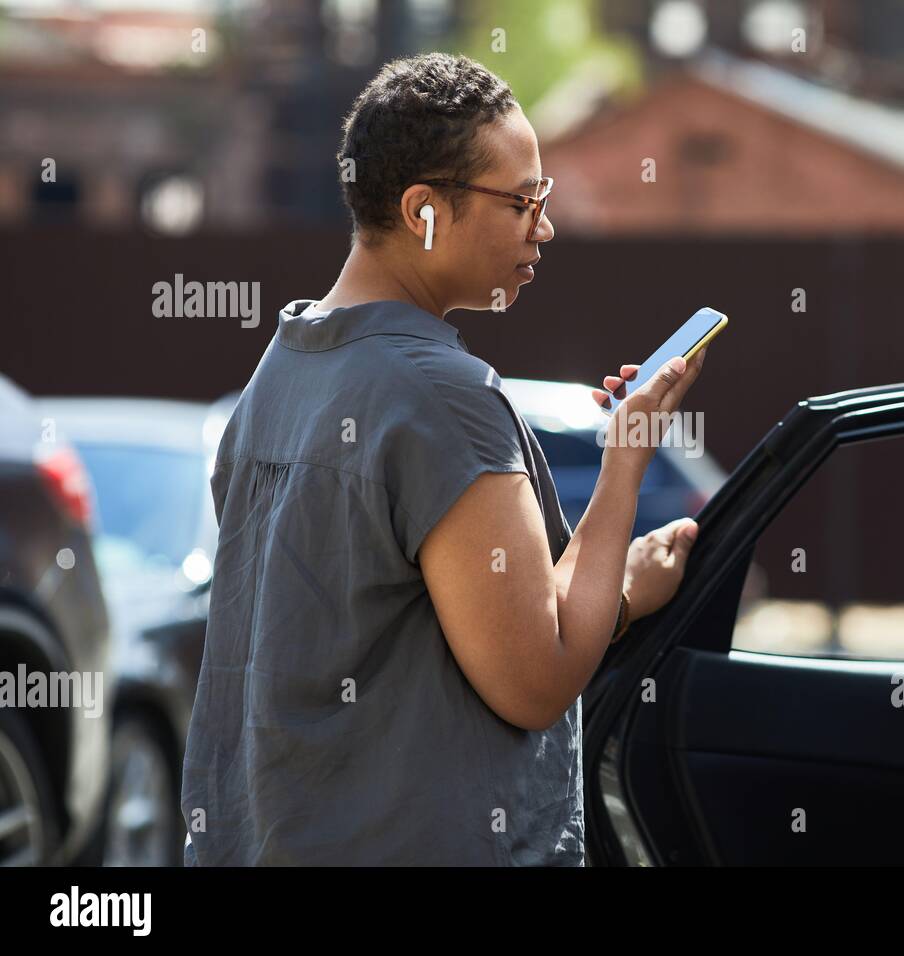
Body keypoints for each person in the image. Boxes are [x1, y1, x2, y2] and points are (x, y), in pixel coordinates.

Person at [180, 52, 706, 865]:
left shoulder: (282, 368)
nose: (545, 226)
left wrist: (621, 595)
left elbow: (416, 633)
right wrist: (625, 464)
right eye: (522, 201)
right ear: (424, 209)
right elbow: (534, 679)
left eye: (546, 199)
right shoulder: (443, 397)